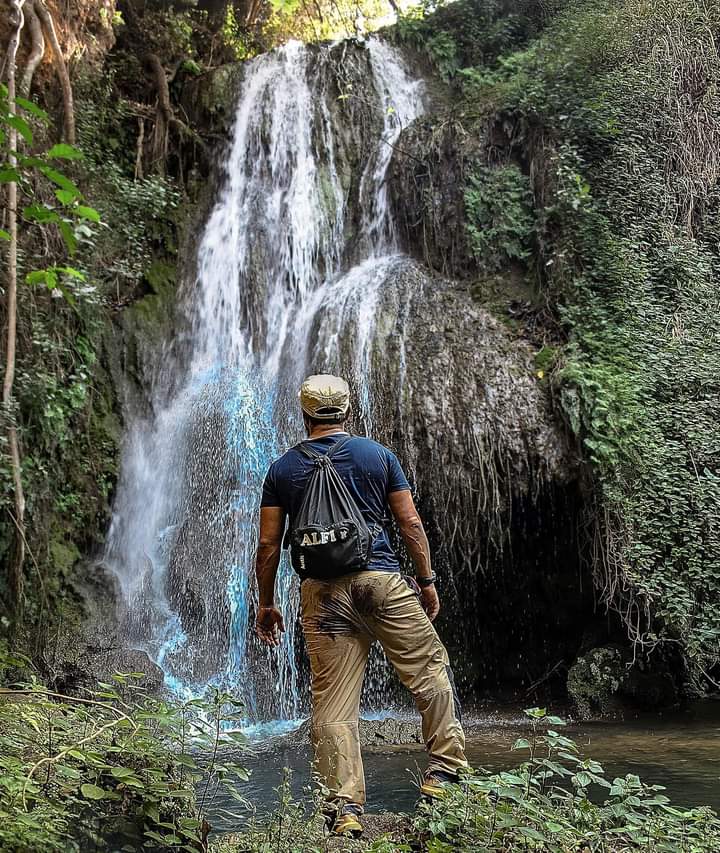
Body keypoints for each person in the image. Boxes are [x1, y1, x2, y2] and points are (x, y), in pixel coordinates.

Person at [254, 374, 467, 837]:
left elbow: (269, 545)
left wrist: (266, 604)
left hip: (323, 593)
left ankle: (344, 807)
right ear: (348, 410)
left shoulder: (282, 470)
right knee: (428, 671)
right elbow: (409, 522)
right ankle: (444, 772)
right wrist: (426, 581)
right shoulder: (377, 455)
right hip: (381, 582)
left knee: (332, 705)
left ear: (305, 413)